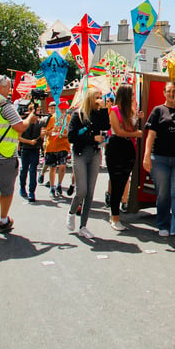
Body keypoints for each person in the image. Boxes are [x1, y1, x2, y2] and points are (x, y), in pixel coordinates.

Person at [0, 75, 38, 241]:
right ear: (0, 88)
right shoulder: (4, 105)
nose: (10, 90)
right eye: (8, 87)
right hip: (4, 154)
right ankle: (3, 220)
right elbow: (20, 127)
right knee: (6, 190)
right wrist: (30, 118)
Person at [143, 80, 175, 246]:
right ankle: (163, 223)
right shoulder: (158, 111)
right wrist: (146, 156)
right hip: (161, 158)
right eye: (169, 91)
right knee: (163, 193)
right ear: (164, 93)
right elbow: (150, 135)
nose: (172, 94)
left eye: (174, 91)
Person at [66, 87, 110, 241]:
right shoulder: (78, 114)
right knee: (81, 190)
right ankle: (71, 212)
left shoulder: (98, 113)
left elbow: (106, 126)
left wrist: (104, 108)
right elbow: (71, 137)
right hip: (80, 154)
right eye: (97, 97)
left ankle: (83, 226)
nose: (99, 99)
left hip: (95, 154)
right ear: (90, 98)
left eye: (100, 97)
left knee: (90, 192)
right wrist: (92, 139)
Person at [105, 84, 142, 231]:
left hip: (129, 149)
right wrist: (135, 134)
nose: (133, 97)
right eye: (131, 94)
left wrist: (138, 120)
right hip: (116, 148)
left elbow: (133, 128)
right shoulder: (114, 111)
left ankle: (116, 211)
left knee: (124, 180)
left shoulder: (131, 111)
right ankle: (114, 216)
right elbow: (118, 131)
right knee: (116, 182)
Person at [18, 102, 46, 202]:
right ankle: (22, 187)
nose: (37, 113)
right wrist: (29, 142)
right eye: (35, 111)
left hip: (35, 149)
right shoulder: (24, 122)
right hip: (25, 149)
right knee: (24, 169)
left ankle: (31, 191)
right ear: (30, 112)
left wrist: (43, 135)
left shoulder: (41, 123)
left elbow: (42, 137)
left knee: (33, 170)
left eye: (38, 111)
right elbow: (19, 137)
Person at [43, 98, 71, 198]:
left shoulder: (68, 118)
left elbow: (70, 132)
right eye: (61, 109)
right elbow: (45, 131)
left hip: (64, 145)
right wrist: (51, 132)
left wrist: (64, 135)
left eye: (65, 109)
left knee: (62, 166)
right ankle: (52, 186)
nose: (63, 112)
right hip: (52, 146)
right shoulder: (52, 118)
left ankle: (59, 184)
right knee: (53, 167)